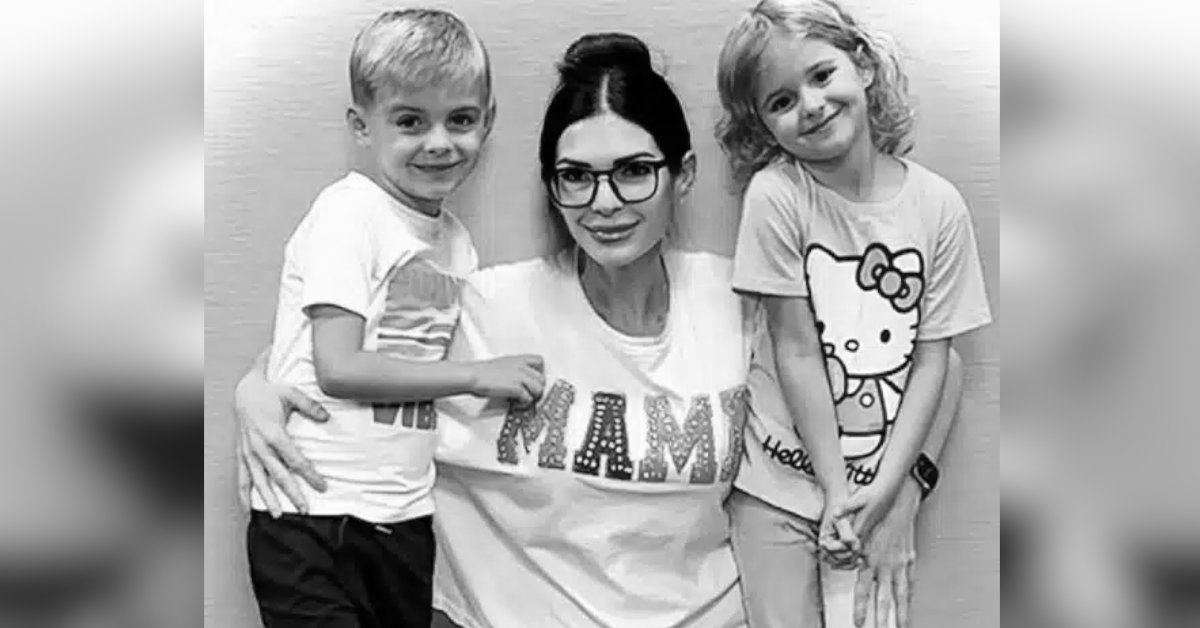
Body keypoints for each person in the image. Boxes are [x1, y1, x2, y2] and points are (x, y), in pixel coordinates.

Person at [235, 28, 965, 628]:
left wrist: (904, 497)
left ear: (682, 175)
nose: (605, 202)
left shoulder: (737, 299)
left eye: (634, 170)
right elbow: (357, 341)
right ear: (552, 188)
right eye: (576, 176)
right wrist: (255, 387)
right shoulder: (487, 305)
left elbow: (932, 361)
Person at [243, 9, 544, 628]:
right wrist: (477, 376)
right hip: (313, 514)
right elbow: (338, 366)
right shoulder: (349, 213)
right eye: (410, 121)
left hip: (403, 518)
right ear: (362, 125)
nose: (439, 142)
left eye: (461, 119)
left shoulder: (455, 242)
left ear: (488, 122)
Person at [715, 1, 993, 627]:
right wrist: (836, 491)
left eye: (821, 75)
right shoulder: (777, 196)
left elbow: (933, 362)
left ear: (862, 65)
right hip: (775, 490)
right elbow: (796, 350)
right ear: (763, 124)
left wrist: (887, 494)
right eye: (781, 101)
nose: (811, 105)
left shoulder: (939, 206)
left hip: (879, 494)